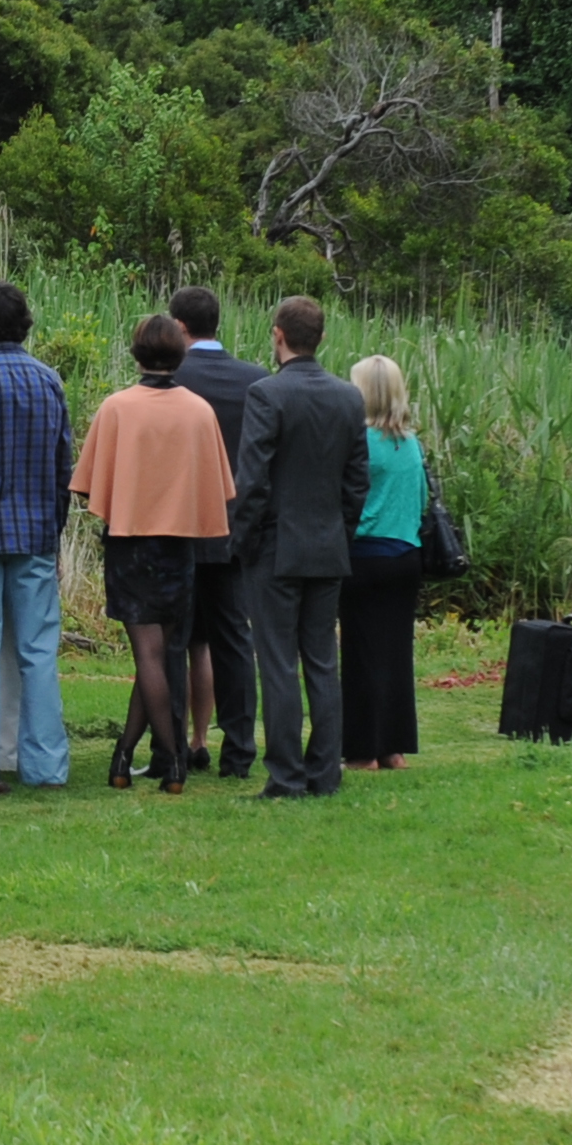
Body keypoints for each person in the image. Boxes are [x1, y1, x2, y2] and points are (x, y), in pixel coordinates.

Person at [72, 314, 234, 794]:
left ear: (136, 353)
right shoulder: (200, 411)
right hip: (179, 546)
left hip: (130, 543)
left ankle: (172, 761)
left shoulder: (118, 408)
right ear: (180, 354)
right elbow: (220, 487)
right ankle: (127, 753)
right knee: (162, 652)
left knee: (149, 654)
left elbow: (86, 487)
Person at [229, 294, 370, 800]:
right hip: (327, 543)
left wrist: (241, 543)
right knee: (322, 662)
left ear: (277, 335)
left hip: (274, 545)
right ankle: (324, 772)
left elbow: (253, 480)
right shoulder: (349, 398)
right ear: (321, 338)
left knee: (277, 663)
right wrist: (341, 532)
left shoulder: (267, 394)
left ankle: (286, 774)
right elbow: (357, 482)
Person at [0, 281, 75, 788]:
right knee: (38, 652)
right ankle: (46, 765)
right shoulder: (47, 380)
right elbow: (61, 466)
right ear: (24, 323)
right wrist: (54, 529)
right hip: (34, 530)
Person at [167, 287, 266, 782]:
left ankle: (172, 747)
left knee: (173, 639)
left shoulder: (166, 380)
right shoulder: (256, 381)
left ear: (180, 328)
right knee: (231, 639)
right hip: (233, 530)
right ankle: (239, 747)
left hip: (177, 530)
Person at [343, 353, 433, 772]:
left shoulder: (358, 442)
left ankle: (362, 750)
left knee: (361, 653)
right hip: (406, 556)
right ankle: (393, 746)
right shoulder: (410, 444)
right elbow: (419, 502)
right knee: (396, 653)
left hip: (365, 556)